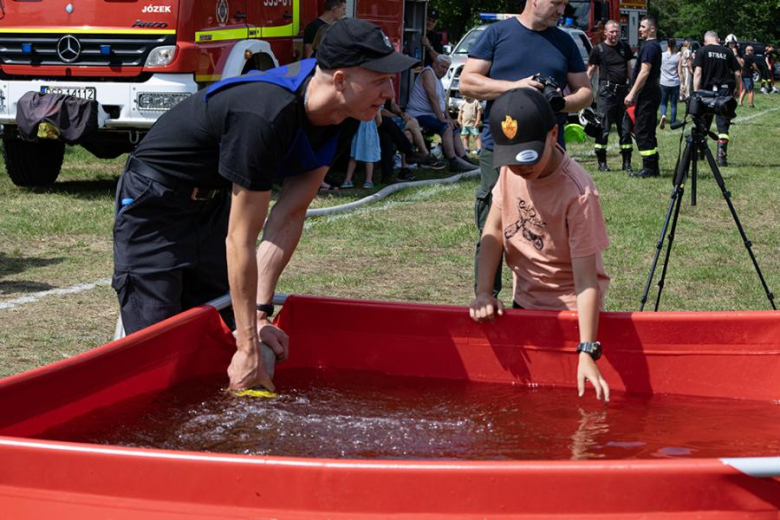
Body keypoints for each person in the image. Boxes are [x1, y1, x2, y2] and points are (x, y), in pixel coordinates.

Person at [111, 19, 418, 392]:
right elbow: (240, 240)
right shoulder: (264, 114)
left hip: (210, 204)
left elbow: (290, 213)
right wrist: (248, 344)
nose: (390, 92)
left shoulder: (347, 114)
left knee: (214, 324)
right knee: (156, 341)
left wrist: (258, 314)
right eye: (380, 79)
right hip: (155, 202)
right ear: (340, 80)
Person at [469, 87, 610, 402]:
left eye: (528, 158)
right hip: (525, 304)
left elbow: (587, 282)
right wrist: (483, 292)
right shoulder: (509, 172)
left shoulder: (578, 193)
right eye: (513, 160)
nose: (522, 169)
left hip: (573, 313)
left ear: (553, 134)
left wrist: (587, 349)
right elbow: (492, 231)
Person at [460, 0, 593, 297]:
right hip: (500, 147)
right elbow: (468, 83)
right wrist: (515, 87)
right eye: (557, 3)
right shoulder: (496, 34)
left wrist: (563, 103)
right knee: (491, 227)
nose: (562, 11)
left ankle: (543, 302)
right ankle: (487, 297)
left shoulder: (564, 41)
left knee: (548, 231)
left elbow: (585, 92)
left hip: (548, 155)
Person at [405, 54, 475, 172]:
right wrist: (442, 119)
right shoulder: (428, 73)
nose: (444, 71)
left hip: (429, 114)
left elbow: (442, 103)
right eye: (443, 67)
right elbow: (432, 97)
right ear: (435, 64)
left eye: (447, 69)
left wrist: (448, 117)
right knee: (446, 127)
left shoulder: (438, 79)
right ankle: (453, 161)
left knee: (454, 127)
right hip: (417, 114)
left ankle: (463, 158)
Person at [586, 19, 635, 172]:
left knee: (625, 130)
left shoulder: (625, 48)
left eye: (617, 31)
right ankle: (602, 163)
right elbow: (590, 71)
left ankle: (626, 163)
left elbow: (630, 69)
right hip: (606, 94)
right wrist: (584, 91)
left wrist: (632, 90)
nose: (615, 34)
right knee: (603, 129)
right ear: (605, 33)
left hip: (623, 94)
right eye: (612, 31)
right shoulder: (598, 49)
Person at [694, 30, 740, 167]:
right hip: (724, 92)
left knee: (702, 124)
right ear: (718, 39)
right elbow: (737, 73)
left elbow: (697, 73)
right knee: (723, 126)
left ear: (705, 41)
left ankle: (699, 152)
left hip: (706, 92)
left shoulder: (701, 51)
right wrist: (737, 88)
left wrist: (696, 93)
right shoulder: (727, 52)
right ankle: (721, 157)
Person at [624, 16, 662, 178]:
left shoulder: (650, 46)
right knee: (647, 129)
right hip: (650, 92)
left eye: (643, 27)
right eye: (640, 27)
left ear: (652, 29)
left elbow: (644, 71)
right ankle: (653, 166)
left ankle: (649, 168)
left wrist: (632, 93)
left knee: (642, 130)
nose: (640, 29)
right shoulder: (651, 45)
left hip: (647, 93)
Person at [341, 111, 381, 189]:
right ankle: (368, 181)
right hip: (370, 130)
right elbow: (379, 120)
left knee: (354, 155)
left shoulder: (361, 101)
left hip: (358, 128)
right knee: (369, 157)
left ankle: (347, 180)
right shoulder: (376, 103)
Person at [659, 38, 682, 128]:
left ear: (667, 45)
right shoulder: (677, 57)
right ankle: (672, 122)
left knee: (663, 102)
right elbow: (679, 72)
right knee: (673, 104)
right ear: (675, 45)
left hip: (664, 82)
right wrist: (683, 83)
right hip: (675, 82)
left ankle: (663, 115)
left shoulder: (662, 55)